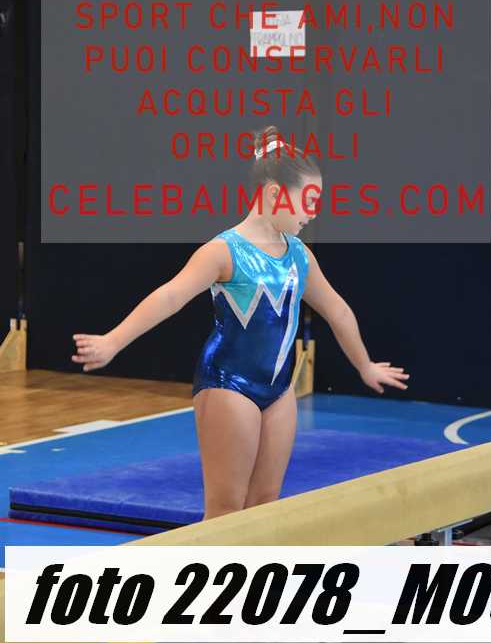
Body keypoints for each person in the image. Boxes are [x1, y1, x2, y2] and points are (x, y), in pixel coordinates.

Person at [72, 125, 409, 520]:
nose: (313, 212)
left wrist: (364, 365)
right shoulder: (223, 251)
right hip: (228, 385)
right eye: (308, 200)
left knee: (265, 505)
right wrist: (113, 341)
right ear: (274, 194)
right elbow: (171, 296)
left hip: (279, 390)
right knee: (226, 509)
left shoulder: (300, 256)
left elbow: (338, 310)